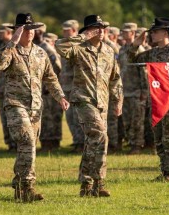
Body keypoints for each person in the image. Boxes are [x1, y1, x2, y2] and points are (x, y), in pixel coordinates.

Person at [0, 14, 68, 201]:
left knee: (28, 147)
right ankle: (28, 187)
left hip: (35, 107)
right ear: (18, 31)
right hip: (15, 105)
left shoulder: (40, 53)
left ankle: (19, 188)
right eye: (25, 29)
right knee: (27, 141)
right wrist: (12, 42)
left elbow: (50, 78)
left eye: (32, 29)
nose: (30, 33)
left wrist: (60, 96)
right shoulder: (9, 50)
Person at [56, 15, 122, 196]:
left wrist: (118, 100)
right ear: (87, 30)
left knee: (92, 141)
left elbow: (115, 78)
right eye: (96, 28)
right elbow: (59, 46)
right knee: (101, 136)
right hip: (83, 100)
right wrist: (82, 36)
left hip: (102, 102)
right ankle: (99, 183)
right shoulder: (78, 49)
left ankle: (86, 183)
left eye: (102, 28)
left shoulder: (109, 51)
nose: (101, 31)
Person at [129, 17, 169, 181]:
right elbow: (131, 58)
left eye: (155, 31)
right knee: (159, 137)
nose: (152, 34)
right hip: (156, 101)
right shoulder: (153, 53)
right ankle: (164, 171)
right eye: (152, 32)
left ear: (166, 33)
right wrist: (136, 44)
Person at [34, 24, 63, 152]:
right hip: (39, 90)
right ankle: (45, 142)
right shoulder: (35, 47)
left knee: (52, 117)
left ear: (40, 32)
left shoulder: (47, 48)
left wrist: (49, 85)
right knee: (43, 117)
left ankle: (53, 143)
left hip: (48, 90)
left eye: (33, 30)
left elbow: (57, 68)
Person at [118, 22, 146, 154]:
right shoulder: (122, 49)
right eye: (122, 31)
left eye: (126, 31)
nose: (123, 33)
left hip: (136, 91)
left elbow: (144, 72)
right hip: (125, 91)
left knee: (137, 120)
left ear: (133, 33)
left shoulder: (139, 50)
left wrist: (144, 91)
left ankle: (137, 145)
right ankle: (131, 143)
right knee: (127, 120)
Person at [59, 19, 85, 153]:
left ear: (74, 31)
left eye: (67, 30)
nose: (64, 32)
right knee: (69, 117)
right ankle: (76, 141)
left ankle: (82, 143)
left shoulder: (79, 46)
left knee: (78, 117)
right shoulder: (64, 45)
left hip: (77, 86)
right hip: (66, 87)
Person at [0, 23, 15, 151]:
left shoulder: (15, 47)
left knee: (13, 118)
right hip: (2, 88)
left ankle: (16, 143)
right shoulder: (2, 47)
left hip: (13, 89)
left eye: (2, 32)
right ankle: (9, 143)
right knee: (4, 117)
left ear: (9, 33)